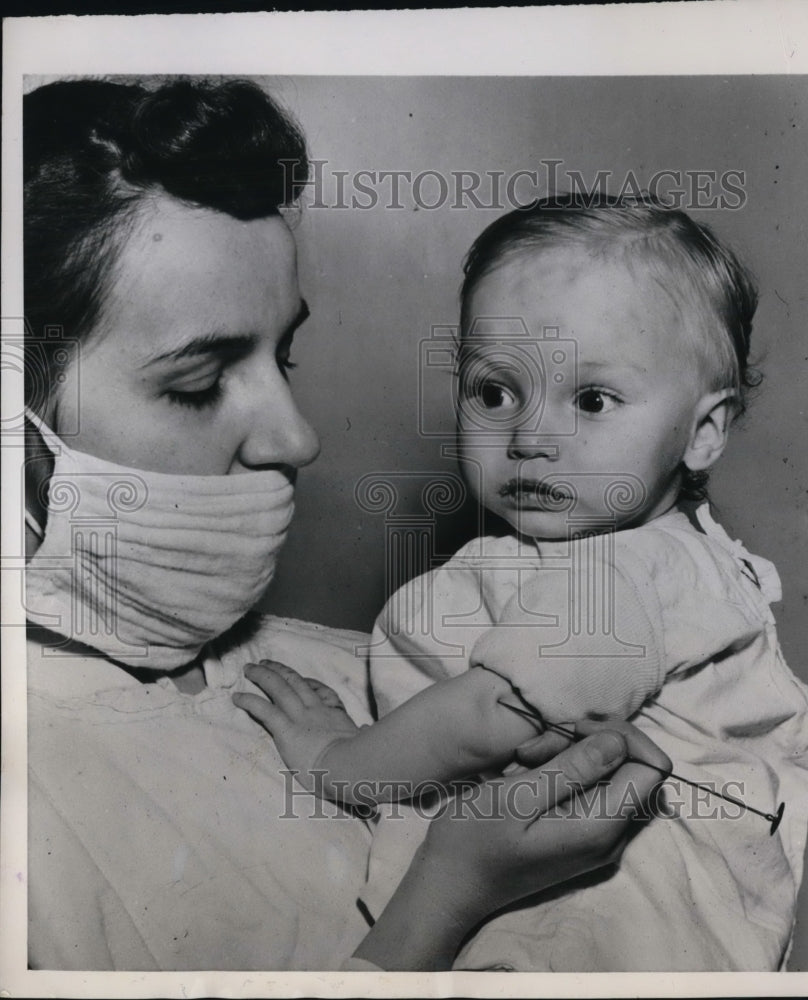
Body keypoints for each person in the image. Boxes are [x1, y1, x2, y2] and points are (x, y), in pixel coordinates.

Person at [21, 77, 670, 971]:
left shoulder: (347, 673)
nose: (298, 436)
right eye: (200, 383)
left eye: (282, 356)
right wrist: (447, 895)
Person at [237, 196, 808, 971]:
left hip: (622, 917)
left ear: (702, 432)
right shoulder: (570, 554)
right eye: (494, 392)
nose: (529, 437)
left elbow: (495, 711)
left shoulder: (637, 571)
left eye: (591, 400)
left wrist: (336, 757)